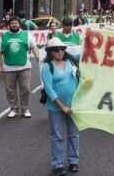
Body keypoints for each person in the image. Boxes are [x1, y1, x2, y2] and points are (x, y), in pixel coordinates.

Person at [41, 38, 80, 175]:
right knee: (57, 136)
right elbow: (49, 90)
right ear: (50, 52)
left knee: (74, 134)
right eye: (56, 49)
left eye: (62, 49)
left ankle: (73, 161)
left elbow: (88, 54)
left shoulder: (71, 60)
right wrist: (62, 107)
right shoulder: (47, 67)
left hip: (74, 106)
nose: (60, 51)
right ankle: (57, 164)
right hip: (56, 108)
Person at [0, 16, 39, 118]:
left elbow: (34, 46)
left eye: (16, 23)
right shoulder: (4, 36)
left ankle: (25, 109)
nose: (14, 25)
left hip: (25, 67)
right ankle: (13, 109)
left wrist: (37, 55)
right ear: (9, 25)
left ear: (19, 24)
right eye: (12, 23)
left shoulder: (26, 35)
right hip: (8, 68)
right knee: (10, 91)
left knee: (26, 89)